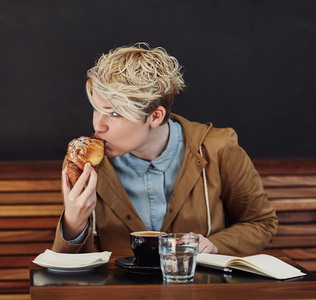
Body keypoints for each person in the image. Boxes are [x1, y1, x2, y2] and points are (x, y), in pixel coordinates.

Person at [52, 42, 278, 256]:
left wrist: (215, 245)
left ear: (155, 116)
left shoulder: (219, 147)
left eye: (114, 113)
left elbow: (261, 223)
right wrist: (73, 223)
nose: (98, 126)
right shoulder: (82, 163)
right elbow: (67, 272)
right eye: (96, 109)